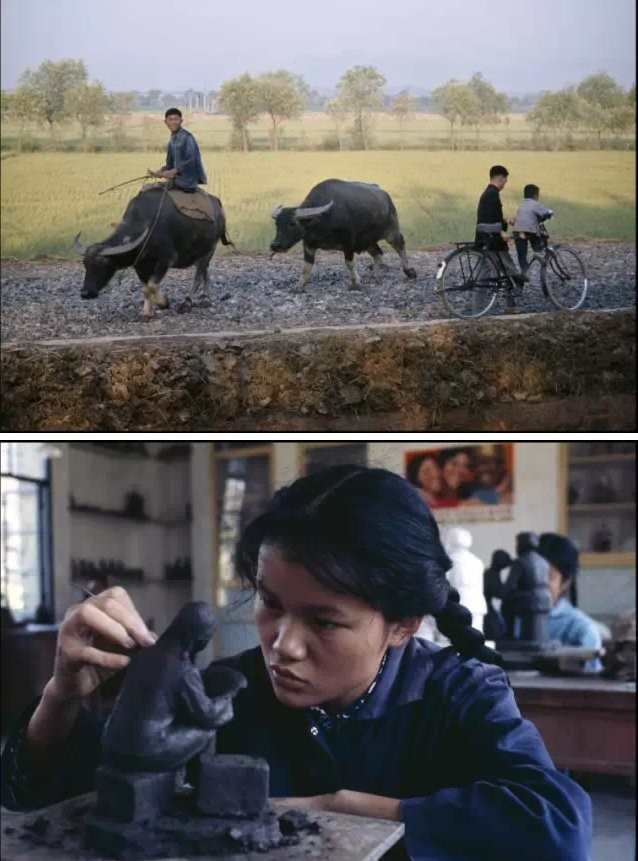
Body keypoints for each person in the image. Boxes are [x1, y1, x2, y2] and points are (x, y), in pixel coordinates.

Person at [1, 466, 592, 860]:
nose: (282, 644)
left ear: (403, 625)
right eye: (271, 605)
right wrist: (61, 697)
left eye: (324, 621)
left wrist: (343, 811)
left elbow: (558, 825)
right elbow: (51, 805)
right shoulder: (228, 691)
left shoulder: (459, 692)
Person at [539, 532, 603, 673]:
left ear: (565, 583)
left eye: (548, 576)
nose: (536, 584)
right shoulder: (506, 620)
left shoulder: (583, 631)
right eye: (532, 574)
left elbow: (591, 691)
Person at [475, 165, 527, 309]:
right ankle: (512, 300)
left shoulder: (488, 193)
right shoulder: (492, 194)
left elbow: (490, 216)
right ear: (501, 178)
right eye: (505, 180)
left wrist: (505, 220)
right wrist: (501, 232)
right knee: (509, 271)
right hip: (492, 242)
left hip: (484, 240)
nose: (505, 183)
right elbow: (489, 220)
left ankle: (481, 307)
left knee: (489, 273)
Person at [149, 107, 207, 193]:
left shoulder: (187, 137)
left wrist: (174, 171)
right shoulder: (172, 140)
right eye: (170, 119)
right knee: (149, 189)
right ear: (166, 122)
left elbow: (191, 160)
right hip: (176, 180)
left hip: (187, 182)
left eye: (176, 119)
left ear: (181, 121)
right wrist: (160, 172)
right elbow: (170, 164)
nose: (173, 122)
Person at [511, 184, 554, 274]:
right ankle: (538, 253)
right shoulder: (535, 204)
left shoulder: (522, 205)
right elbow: (546, 213)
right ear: (535, 195)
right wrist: (550, 213)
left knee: (522, 255)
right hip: (529, 230)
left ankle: (524, 271)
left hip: (518, 231)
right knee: (539, 242)